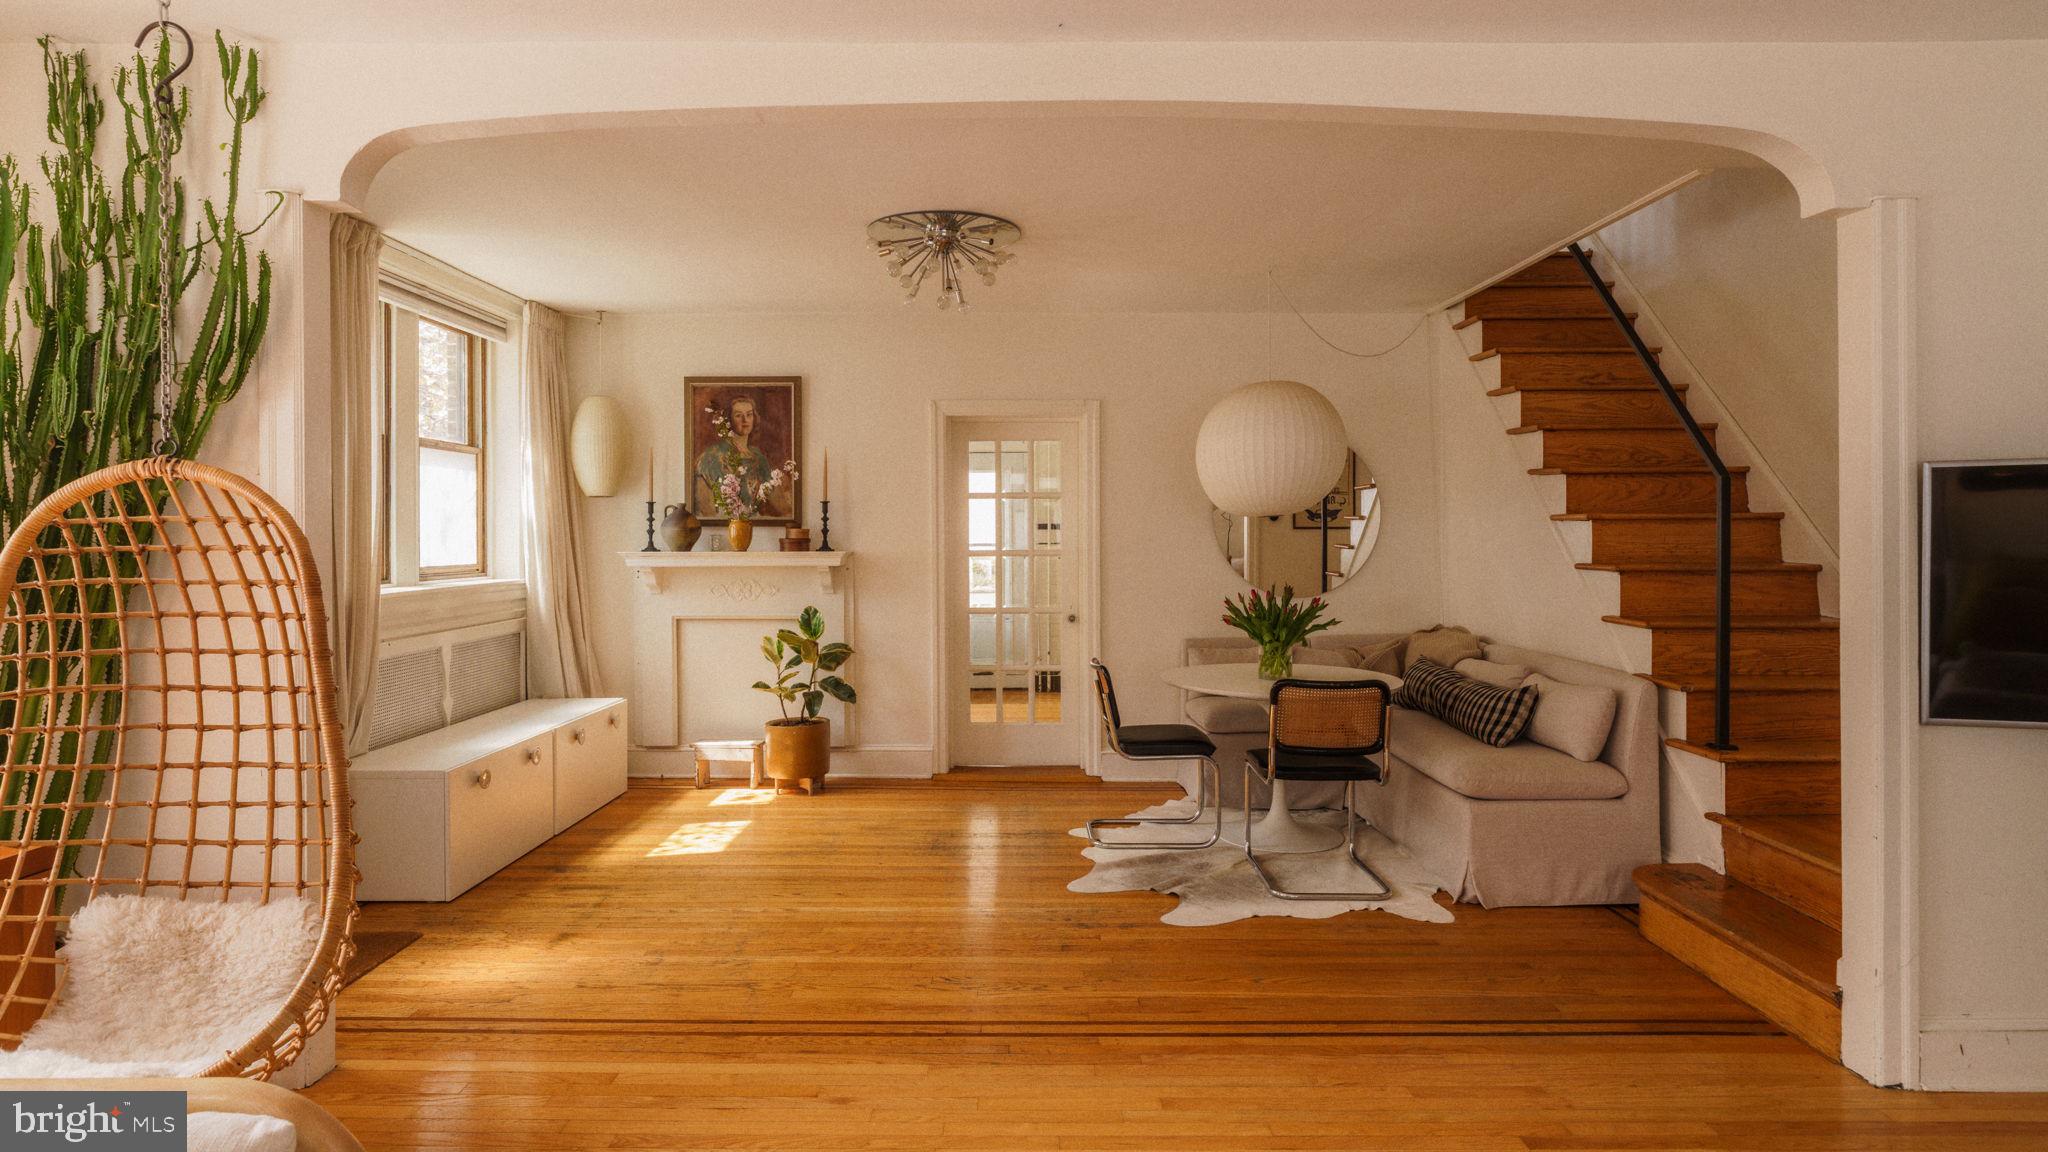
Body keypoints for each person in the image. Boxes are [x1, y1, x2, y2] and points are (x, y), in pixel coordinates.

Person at [694, 395, 778, 517]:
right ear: (729, 420)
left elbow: (773, 500)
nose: (745, 420)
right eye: (738, 415)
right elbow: (705, 510)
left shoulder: (758, 457)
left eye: (749, 414)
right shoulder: (712, 456)